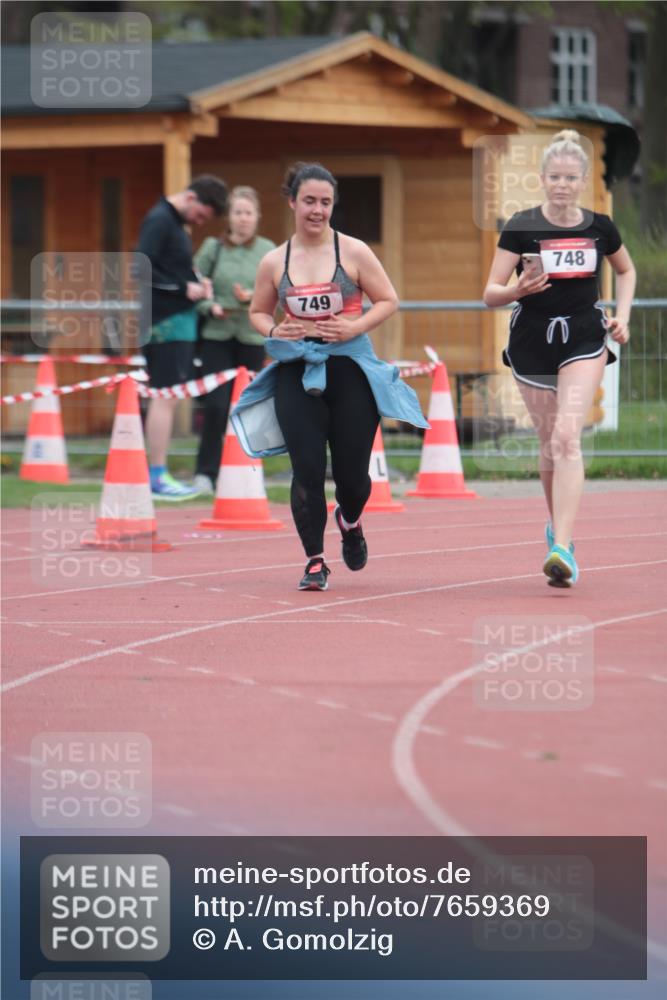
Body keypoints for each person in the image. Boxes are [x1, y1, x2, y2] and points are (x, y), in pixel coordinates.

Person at [235, 162, 428, 592]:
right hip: (296, 368)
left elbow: (388, 299)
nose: (317, 210)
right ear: (292, 202)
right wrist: (273, 330)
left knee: (353, 477)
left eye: (325, 202)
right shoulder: (273, 261)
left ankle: (350, 519)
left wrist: (353, 327)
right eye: (309, 201)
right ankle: (314, 561)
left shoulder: (354, 252)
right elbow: (257, 311)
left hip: (350, 368)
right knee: (306, 469)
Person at [483, 129, 636, 587]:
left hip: (584, 337)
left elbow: (625, 271)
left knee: (568, 436)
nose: (563, 184)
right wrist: (517, 290)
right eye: (555, 176)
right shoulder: (522, 226)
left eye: (571, 177)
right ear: (543, 179)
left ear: (584, 180)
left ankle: (562, 547)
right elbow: (490, 293)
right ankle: (558, 532)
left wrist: (622, 317)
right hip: (532, 340)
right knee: (550, 441)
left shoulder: (600, 227)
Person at [137, 174, 228, 500]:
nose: (200, 222)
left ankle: (158, 473)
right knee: (165, 396)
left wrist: (196, 279)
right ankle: (157, 476)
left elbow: (169, 267)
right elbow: (140, 267)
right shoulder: (161, 219)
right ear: (191, 198)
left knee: (169, 397)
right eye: (201, 215)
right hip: (166, 323)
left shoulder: (173, 223)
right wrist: (183, 288)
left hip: (176, 322)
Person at [192, 186, 276, 494]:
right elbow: (194, 285)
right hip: (217, 335)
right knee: (215, 405)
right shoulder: (212, 249)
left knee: (248, 406)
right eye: (238, 212)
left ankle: (247, 472)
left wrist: (253, 296)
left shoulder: (267, 249)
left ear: (257, 217)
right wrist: (208, 307)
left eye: (249, 213)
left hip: (251, 336)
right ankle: (206, 473)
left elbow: (278, 287)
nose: (243, 219)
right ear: (229, 217)